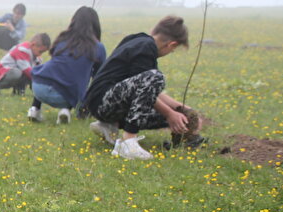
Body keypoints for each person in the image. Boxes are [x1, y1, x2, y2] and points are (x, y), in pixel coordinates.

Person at [83, 15, 200, 160]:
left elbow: (147, 91)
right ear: (172, 45)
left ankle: (109, 126)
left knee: (166, 113)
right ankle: (128, 142)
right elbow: (148, 84)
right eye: (173, 50)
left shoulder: (138, 41)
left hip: (104, 102)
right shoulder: (146, 47)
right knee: (156, 77)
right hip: (102, 101)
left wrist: (181, 109)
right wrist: (170, 113)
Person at [26, 6, 106, 124]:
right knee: (77, 79)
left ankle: (34, 109)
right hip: (64, 97)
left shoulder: (62, 39)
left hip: (37, 86)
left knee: (53, 72)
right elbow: (100, 78)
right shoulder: (98, 47)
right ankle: (65, 109)